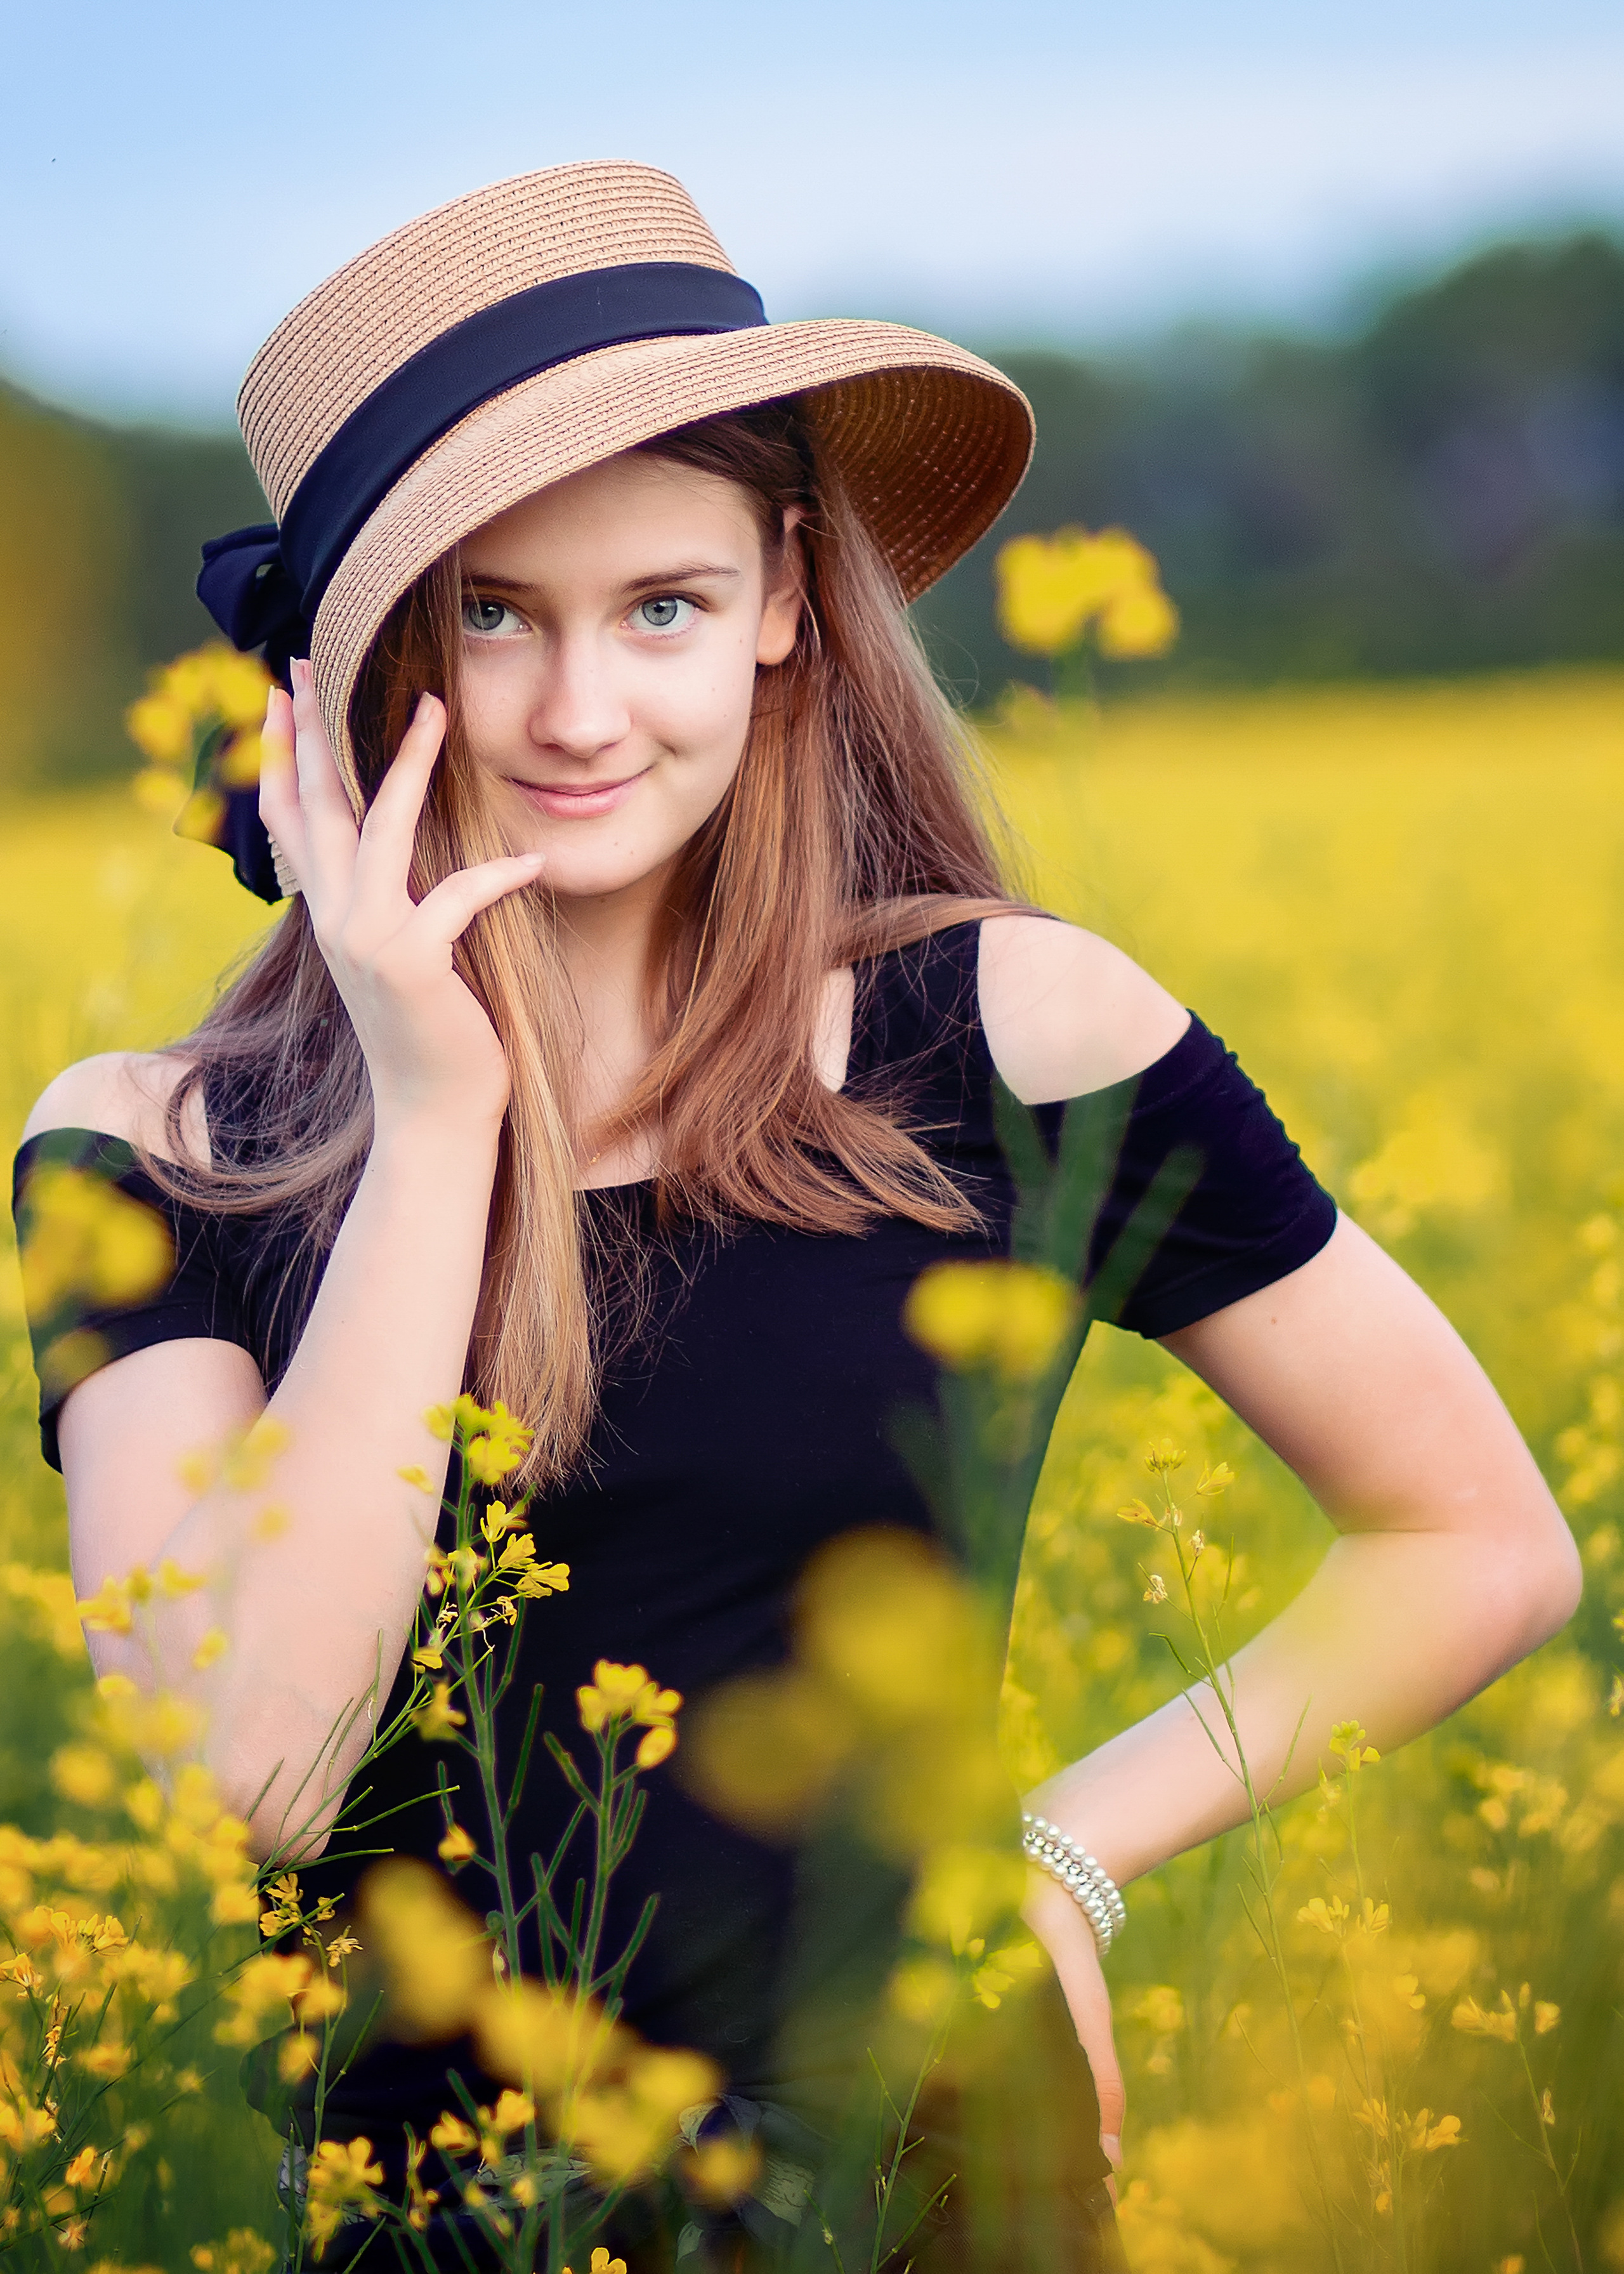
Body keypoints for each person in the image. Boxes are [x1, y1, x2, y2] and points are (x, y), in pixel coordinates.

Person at [13, 164, 1580, 2270]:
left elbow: (1479, 1539)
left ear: (780, 596)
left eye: (659, 606)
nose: (582, 714)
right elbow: (254, 1779)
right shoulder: (151, 1150)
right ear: (367, 663)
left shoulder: (1014, 1034)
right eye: (494, 614)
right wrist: (433, 1119)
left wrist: (1063, 1856)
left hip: (945, 2185)